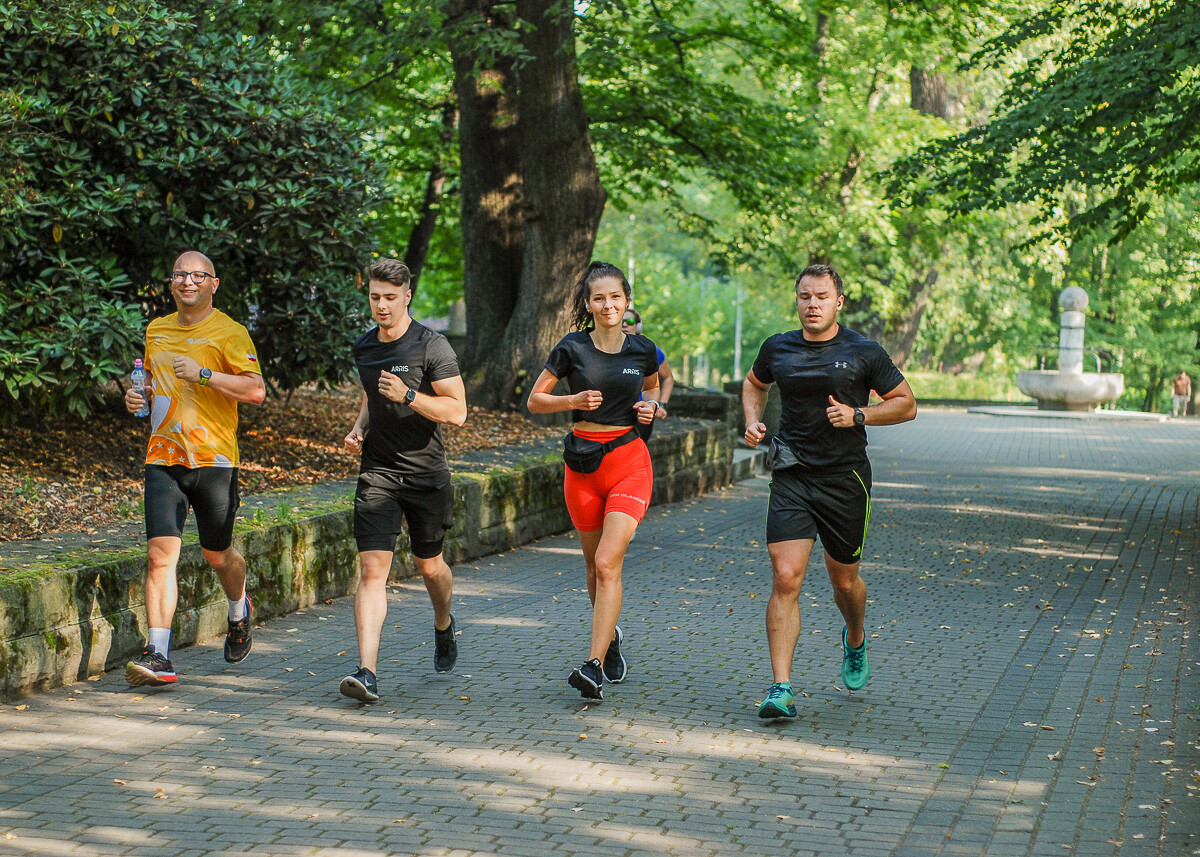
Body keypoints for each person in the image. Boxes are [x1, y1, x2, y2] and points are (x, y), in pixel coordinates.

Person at [742, 263, 916, 718]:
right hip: (792, 474)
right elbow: (753, 383)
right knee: (786, 577)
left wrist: (860, 415)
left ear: (838, 302)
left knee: (844, 581)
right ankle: (781, 688)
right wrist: (751, 420)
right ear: (796, 300)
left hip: (845, 479)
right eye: (804, 296)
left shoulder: (863, 350)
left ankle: (854, 637)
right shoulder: (777, 347)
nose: (812, 304)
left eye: (821, 296)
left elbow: (906, 404)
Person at [123, 251, 266, 687]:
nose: (188, 282)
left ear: (213, 284)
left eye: (197, 276)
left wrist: (205, 374)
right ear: (171, 283)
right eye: (180, 275)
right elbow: (152, 383)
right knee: (159, 556)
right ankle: (158, 654)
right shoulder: (157, 328)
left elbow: (255, 390)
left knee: (216, 555)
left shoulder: (231, 332)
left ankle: (239, 607)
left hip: (214, 461)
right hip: (163, 458)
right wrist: (137, 399)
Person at [528, 262, 661, 700]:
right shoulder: (571, 348)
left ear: (627, 302)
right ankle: (611, 638)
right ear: (588, 303)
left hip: (628, 462)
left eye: (615, 297)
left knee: (607, 564)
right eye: (598, 298)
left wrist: (650, 409)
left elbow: (654, 387)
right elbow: (535, 400)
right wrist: (574, 399)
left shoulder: (641, 349)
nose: (608, 305)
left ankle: (593, 665)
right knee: (592, 568)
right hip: (581, 466)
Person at [339, 259, 467, 703]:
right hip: (378, 472)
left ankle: (444, 623)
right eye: (375, 297)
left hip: (426, 473)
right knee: (373, 570)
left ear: (407, 296)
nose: (382, 306)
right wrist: (361, 425)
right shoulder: (364, 347)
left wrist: (410, 395)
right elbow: (371, 394)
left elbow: (457, 412)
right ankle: (367, 671)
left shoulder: (432, 346)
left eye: (390, 298)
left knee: (430, 567)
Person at [622, 309, 675, 441]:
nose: (625, 325)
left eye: (630, 321)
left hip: (641, 414)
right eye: (621, 321)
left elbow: (668, 378)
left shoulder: (650, 350)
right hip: (614, 413)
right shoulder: (607, 349)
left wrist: (661, 404)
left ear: (637, 326)